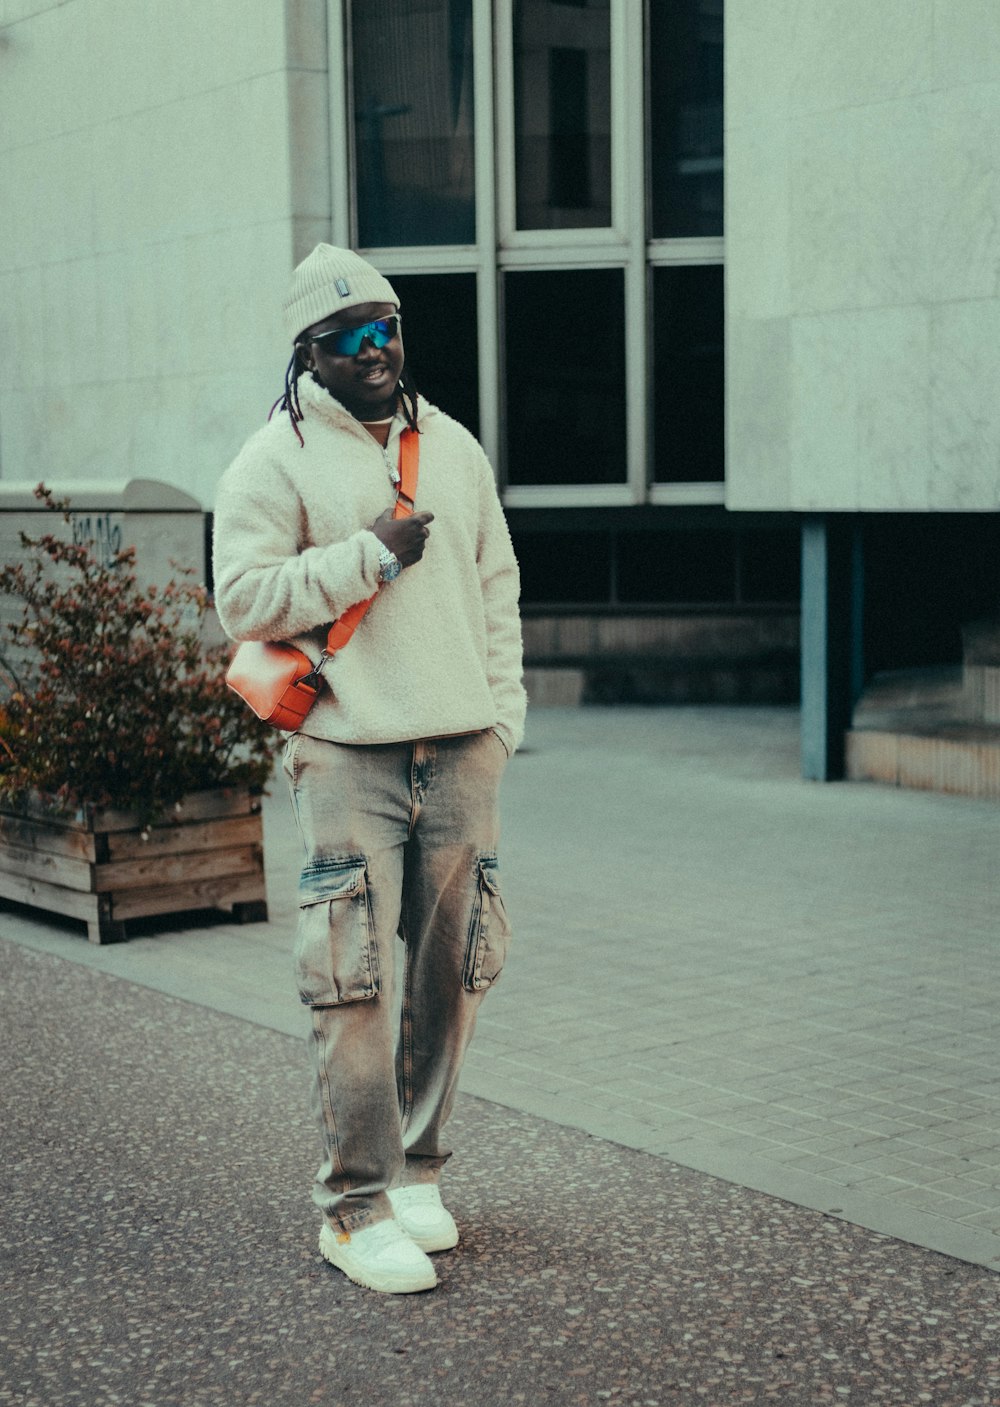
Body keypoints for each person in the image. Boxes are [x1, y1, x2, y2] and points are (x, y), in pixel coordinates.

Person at [212, 245, 526, 1295]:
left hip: (461, 747)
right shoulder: (271, 462)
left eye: (386, 327)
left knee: (453, 969)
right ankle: (353, 1206)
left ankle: (419, 1172)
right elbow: (243, 602)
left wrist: (502, 721)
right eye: (348, 336)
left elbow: (496, 590)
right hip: (347, 753)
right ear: (308, 354)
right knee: (350, 981)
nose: (375, 348)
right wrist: (370, 555)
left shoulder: (454, 447)